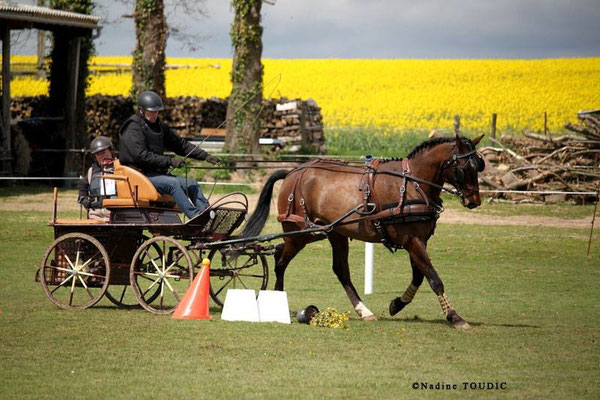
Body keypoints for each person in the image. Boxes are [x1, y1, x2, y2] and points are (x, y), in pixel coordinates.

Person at [118, 90, 220, 219]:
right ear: (141, 110)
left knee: (192, 184)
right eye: (151, 111)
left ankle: (206, 215)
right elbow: (141, 155)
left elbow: (180, 145)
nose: (155, 114)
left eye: (157, 111)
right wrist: (170, 161)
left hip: (156, 175)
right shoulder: (133, 127)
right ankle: (195, 217)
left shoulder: (159, 126)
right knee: (173, 184)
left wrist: (205, 156)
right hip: (139, 176)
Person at [78, 136, 116, 222]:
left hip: (116, 216)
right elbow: (82, 188)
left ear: (111, 151)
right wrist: (84, 199)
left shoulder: (121, 168)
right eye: (98, 154)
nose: (101, 156)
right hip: (95, 216)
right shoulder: (91, 171)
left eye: (103, 152)